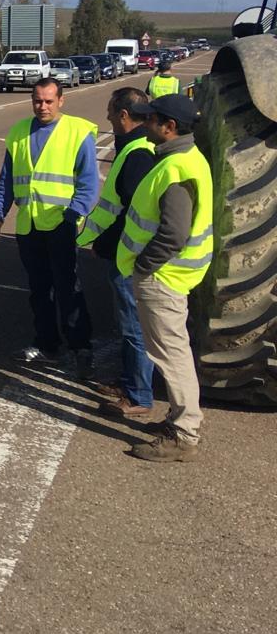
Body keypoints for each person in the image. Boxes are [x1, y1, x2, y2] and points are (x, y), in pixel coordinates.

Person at [116, 94, 213, 463]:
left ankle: (184, 433)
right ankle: (178, 420)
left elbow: (174, 234)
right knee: (172, 350)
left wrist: (144, 266)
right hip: (171, 275)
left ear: (169, 127)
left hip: (163, 277)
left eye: (151, 119)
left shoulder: (176, 170)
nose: (145, 124)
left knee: (171, 354)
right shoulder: (185, 159)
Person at [0, 78, 100, 370]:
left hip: (61, 224)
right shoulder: (19, 132)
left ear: (61, 101)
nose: (43, 106)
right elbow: (8, 179)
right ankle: (46, 343)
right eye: (38, 100)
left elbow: (89, 183)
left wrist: (73, 214)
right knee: (39, 289)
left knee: (67, 288)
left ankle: (81, 347)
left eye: (49, 101)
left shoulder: (78, 132)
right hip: (28, 226)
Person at [77, 86, 159, 418]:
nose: (108, 117)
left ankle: (138, 395)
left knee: (133, 327)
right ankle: (130, 382)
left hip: (131, 259)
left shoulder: (138, 153)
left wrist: (106, 244)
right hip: (126, 255)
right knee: (130, 325)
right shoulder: (138, 147)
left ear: (124, 115)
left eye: (111, 112)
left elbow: (130, 213)